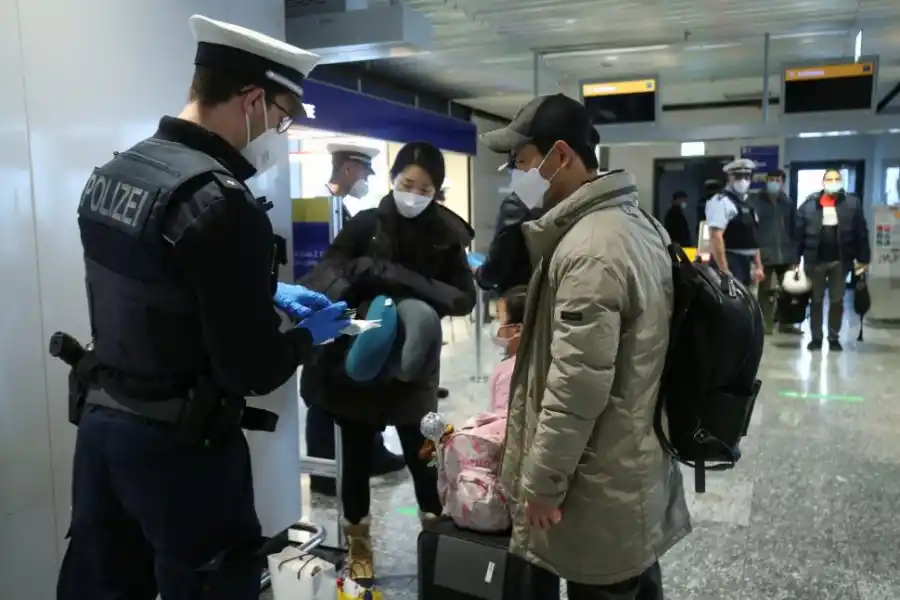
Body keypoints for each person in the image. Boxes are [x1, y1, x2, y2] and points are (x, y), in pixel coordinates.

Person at [57, 15, 353, 600]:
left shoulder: (114, 173)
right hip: (182, 451)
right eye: (282, 116)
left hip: (102, 432)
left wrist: (259, 291)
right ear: (249, 99)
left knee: (103, 585)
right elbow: (250, 369)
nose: (280, 131)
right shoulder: (221, 203)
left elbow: (157, 287)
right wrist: (305, 336)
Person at [480, 94, 690, 600]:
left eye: (523, 161)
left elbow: (576, 384)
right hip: (631, 461)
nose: (516, 174)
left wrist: (544, 483)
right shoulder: (638, 224)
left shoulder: (590, 249)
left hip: (595, 482)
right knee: (633, 581)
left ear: (561, 156)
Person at [300, 141, 476, 582]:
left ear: (437, 191)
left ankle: (436, 541)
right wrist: (357, 274)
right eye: (407, 183)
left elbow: (462, 297)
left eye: (425, 187)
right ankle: (359, 541)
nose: (414, 193)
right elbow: (323, 275)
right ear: (393, 180)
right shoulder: (365, 225)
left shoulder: (446, 236)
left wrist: (405, 281)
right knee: (356, 459)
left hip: (413, 368)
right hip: (359, 358)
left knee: (424, 459)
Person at [305, 142, 406, 497]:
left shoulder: (339, 209)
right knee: (325, 384)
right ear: (347, 169)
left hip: (339, 307)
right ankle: (325, 469)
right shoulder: (319, 210)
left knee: (346, 381)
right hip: (328, 308)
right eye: (363, 172)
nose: (365, 179)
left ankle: (362, 456)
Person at [796, 169, 871, 351]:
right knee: (816, 300)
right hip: (815, 260)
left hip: (840, 260)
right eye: (829, 179)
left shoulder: (852, 204)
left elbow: (861, 233)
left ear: (842, 182)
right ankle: (816, 338)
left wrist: (863, 259)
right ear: (823, 182)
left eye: (837, 179)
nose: (833, 182)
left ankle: (833, 337)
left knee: (837, 300)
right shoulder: (809, 205)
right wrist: (794, 259)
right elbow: (798, 234)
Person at [473, 159, 544, 295]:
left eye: (520, 164)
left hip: (517, 296)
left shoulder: (515, 205)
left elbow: (497, 265)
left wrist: (480, 274)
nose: (514, 173)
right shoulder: (554, 199)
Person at [749, 169, 800, 334]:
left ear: (782, 182)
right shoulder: (755, 201)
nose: (774, 182)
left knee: (788, 290)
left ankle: (786, 323)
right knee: (765, 292)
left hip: (785, 253)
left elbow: (794, 229)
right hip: (764, 253)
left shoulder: (788, 202)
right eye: (771, 179)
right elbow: (752, 229)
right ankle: (765, 324)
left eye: (777, 180)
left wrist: (795, 257)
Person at [705, 159, 766, 286]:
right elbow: (716, 237)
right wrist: (724, 270)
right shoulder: (721, 202)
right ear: (729, 178)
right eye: (738, 176)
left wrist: (759, 266)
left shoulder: (748, 203)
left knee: (748, 303)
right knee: (731, 303)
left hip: (747, 264)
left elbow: (753, 237)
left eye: (747, 176)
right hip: (730, 261)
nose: (743, 180)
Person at [327, 143, 378, 220]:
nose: (366, 181)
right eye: (364, 175)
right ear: (348, 169)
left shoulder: (336, 204)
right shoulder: (322, 206)